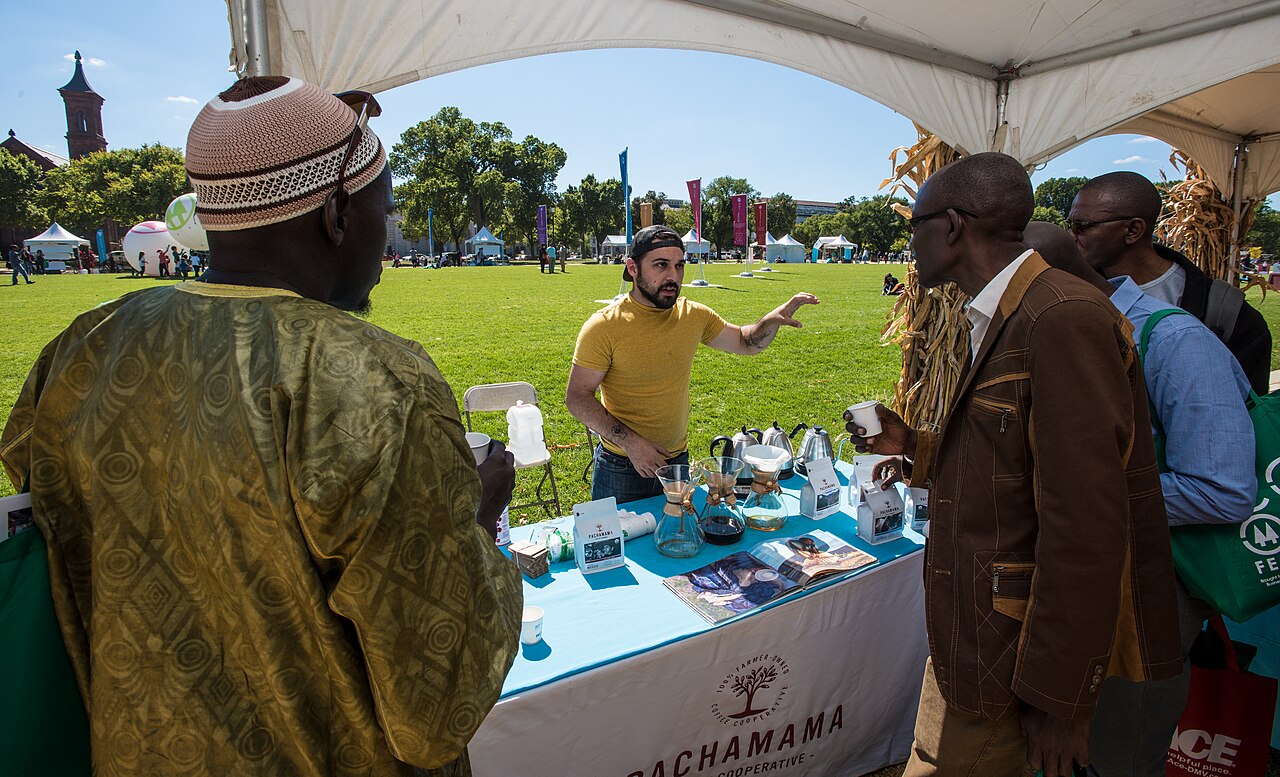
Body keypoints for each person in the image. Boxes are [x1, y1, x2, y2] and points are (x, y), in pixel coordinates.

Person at [0, 76, 522, 777]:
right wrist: (478, 514)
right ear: (338, 213)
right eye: (383, 206)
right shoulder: (375, 378)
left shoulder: (80, 346)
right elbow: (434, 704)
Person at [845, 153, 1182, 777]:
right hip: (973, 636)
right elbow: (1010, 459)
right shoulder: (1006, 312)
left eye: (913, 227)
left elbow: (1087, 523)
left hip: (1012, 658)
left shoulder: (1060, 319)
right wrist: (916, 446)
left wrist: (1061, 702)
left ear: (950, 226)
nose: (908, 244)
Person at [1025, 221, 1255, 777]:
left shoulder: (1174, 341)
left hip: (1153, 590)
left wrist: (1080, 498)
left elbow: (1222, 491)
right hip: (1085, 577)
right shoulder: (1068, 332)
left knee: (1118, 749)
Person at [566, 224, 819, 504]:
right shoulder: (604, 326)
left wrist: (768, 321)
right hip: (622, 466)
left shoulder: (693, 315)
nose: (673, 276)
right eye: (660, 265)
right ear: (633, 268)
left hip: (677, 463)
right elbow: (577, 398)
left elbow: (746, 342)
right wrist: (631, 444)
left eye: (679, 265)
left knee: (681, 543)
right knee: (618, 547)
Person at [1068, 172, 1272, 393]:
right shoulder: (1075, 294)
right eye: (1069, 224)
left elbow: (1247, 411)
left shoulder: (1230, 317)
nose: (1071, 235)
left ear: (1133, 230)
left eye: (1082, 226)